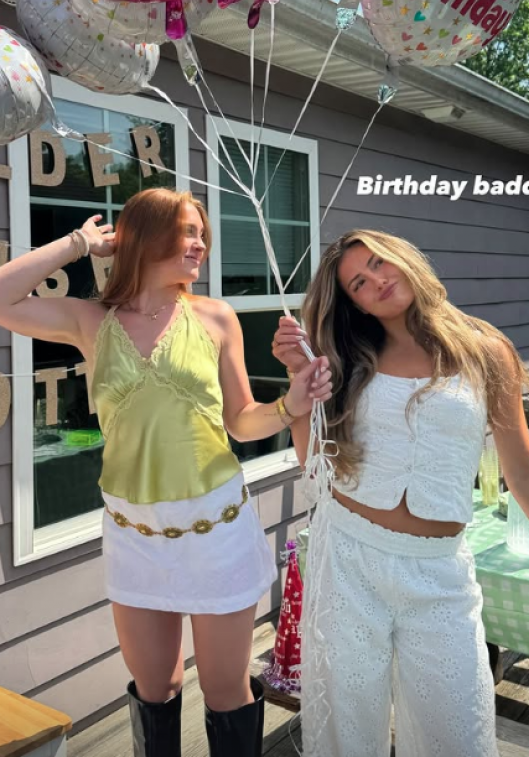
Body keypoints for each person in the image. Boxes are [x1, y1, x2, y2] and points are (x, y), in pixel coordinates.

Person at [0, 188, 332, 757]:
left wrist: (289, 406)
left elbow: (241, 421)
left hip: (215, 529)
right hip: (134, 534)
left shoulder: (215, 317)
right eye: (186, 231)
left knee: (226, 691)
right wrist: (80, 243)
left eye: (202, 233)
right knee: (156, 687)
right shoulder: (91, 320)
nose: (200, 243)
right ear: (144, 235)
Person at [272, 229, 529, 757]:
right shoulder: (351, 357)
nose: (376, 281)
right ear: (356, 304)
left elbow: (524, 474)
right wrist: (300, 376)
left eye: (379, 263)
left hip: (440, 570)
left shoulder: (486, 352)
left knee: (458, 730)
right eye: (358, 283)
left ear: (404, 257)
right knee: (347, 729)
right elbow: (314, 460)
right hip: (348, 557)